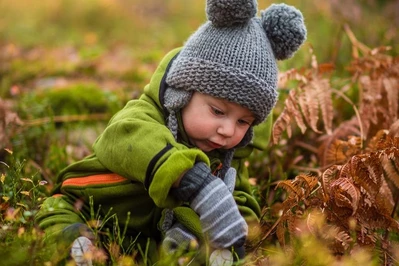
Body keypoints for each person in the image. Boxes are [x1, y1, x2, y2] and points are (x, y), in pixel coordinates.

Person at [35, 0, 306, 265]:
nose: (227, 130)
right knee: (58, 213)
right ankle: (77, 245)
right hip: (89, 202)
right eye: (217, 112)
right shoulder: (145, 115)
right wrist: (192, 179)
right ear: (182, 94)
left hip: (144, 236)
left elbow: (240, 199)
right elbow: (121, 138)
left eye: (243, 122)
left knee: (186, 249)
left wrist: (233, 233)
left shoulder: (226, 157)